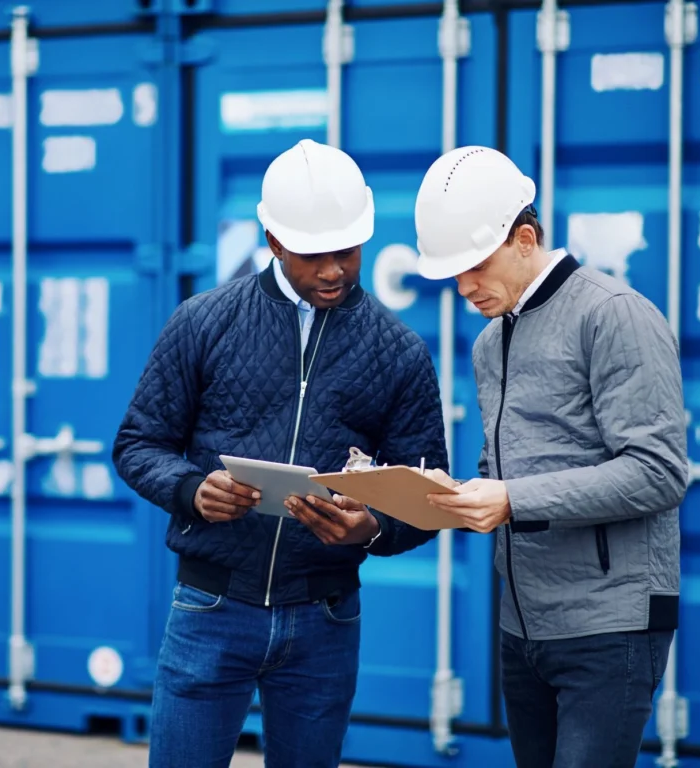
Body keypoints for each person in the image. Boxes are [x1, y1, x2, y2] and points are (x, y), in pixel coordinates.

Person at [112, 138, 448, 768]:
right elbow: (138, 444)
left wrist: (372, 526)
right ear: (271, 240)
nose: (333, 271)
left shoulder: (399, 353)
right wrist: (191, 491)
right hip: (210, 610)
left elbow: (429, 494)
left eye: (346, 251)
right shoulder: (202, 322)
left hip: (324, 620)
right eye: (313, 255)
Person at [410, 145, 688, 768]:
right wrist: (439, 492)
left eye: (475, 266)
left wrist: (511, 499)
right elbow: (507, 472)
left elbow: (659, 470)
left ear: (526, 237)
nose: (463, 288)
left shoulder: (613, 314)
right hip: (523, 627)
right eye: (452, 274)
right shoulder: (490, 342)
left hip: (610, 626)